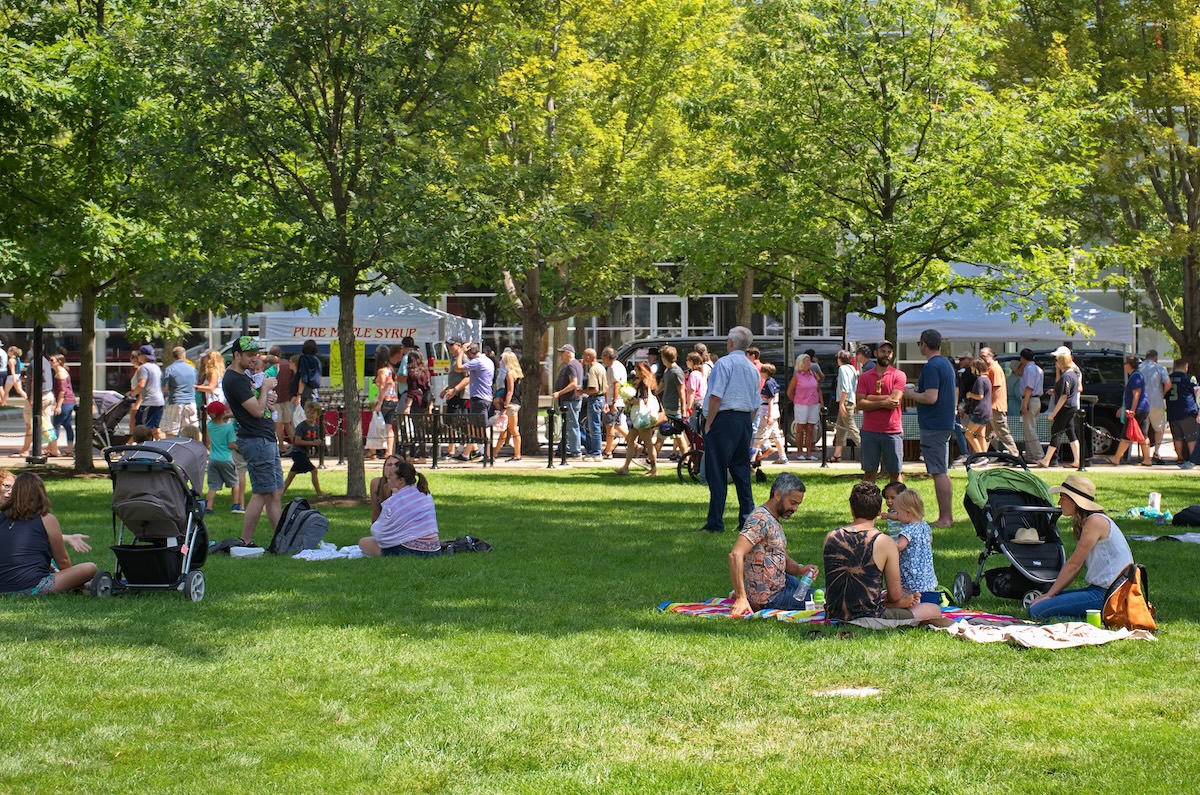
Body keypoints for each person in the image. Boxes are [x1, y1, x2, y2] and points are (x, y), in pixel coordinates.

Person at [822, 481, 947, 625]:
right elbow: (895, 596)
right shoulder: (884, 542)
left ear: (851, 509)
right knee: (933, 610)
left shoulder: (830, 536)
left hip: (834, 612)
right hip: (870, 615)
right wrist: (899, 602)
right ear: (879, 510)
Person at [1028, 475, 1134, 621]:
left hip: (1109, 594)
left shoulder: (1095, 521)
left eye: (1063, 497)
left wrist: (1050, 594)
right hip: (1101, 590)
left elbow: (1074, 564)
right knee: (1037, 605)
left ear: (1075, 501)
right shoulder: (1092, 520)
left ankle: (1098, 619)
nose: (1059, 502)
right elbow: (1076, 567)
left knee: (1037, 610)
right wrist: (1051, 595)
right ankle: (1096, 617)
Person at [728, 473, 819, 618]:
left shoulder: (772, 518)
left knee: (829, 593)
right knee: (829, 598)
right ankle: (744, 597)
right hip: (770, 598)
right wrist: (741, 598)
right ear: (777, 495)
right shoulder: (760, 519)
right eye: (793, 503)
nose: (795, 509)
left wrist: (800, 569)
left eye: (798, 504)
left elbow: (779, 554)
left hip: (783, 584)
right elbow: (735, 555)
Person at [222, 336, 283, 546]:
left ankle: (281, 539)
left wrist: (267, 398)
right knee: (263, 491)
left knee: (274, 491)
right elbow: (257, 411)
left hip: (265, 437)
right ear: (236, 355)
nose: (253, 359)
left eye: (255, 354)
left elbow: (260, 404)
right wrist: (265, 388)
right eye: (249, 355)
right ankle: (246, 540)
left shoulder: (245, 376)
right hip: (255, 440)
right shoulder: (234, 380)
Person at [700, 326, 760, 533]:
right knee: (742, 471)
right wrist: (748, 427)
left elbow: (716, 396)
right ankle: (747, 520)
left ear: (731, 343)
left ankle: (715, 521)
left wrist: (709, 423)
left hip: (724, 419)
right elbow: (755, 403)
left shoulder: (724, 363)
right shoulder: (752, 368)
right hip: (744, 420)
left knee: (716, 471)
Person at [0, 473, 98, 596]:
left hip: (2, 589)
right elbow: (63, 561)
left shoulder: (2, 518)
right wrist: (70, 578)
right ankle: (81, 586)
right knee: (90, 567)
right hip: (32, 588)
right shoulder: (46, 519)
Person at [903, 329, 956, 526]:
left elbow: (930, 397)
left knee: (938, 471)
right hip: (942, 423)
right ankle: (947, 516)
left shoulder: (932, 366)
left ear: (924, 344)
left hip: (934, 425)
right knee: (940, 470)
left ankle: (945, 518)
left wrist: (910, 393)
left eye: (919, 343)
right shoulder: (946, 364)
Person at [358, 459, 441, 557]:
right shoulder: (425, 494)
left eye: (391, 475)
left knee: (363, 542)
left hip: (410, 551)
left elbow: (379, 533)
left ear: (401, 480)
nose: (388, 478)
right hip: (435, 549)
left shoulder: (394, 502)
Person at [855, 340, 905, 484]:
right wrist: (884, 401)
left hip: (892, 432)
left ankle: (898, 506)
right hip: (869, 431)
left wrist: (870, 398)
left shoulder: (899, 375)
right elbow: (860, 404)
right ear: (876, 353)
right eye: (883, 351)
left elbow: (894, 401)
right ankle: (869, 506)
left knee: (895, 474)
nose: (886, 355)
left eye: (889, 352)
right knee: (869, 473)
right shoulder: (865, 377)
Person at [1036, 347, 1082, 469]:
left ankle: (1046, 459)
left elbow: (1064, 396)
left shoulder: (1066, 376)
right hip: (1072, 406)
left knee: (1056, 432)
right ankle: (1077, 460)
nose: (1056, 363)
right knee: (1071, 433)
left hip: (1065, 408)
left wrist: (1053, 413)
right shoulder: (1073, 374)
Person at [1103, 354, 1152, 466]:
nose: (1124, 366)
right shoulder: (1135, 376)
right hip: (1142, 409)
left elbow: (1136, 394)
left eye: (1125, 364)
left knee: (1126, 435)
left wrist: (1132, 411)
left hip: (1138, 410)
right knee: (1143, 435)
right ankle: (1147, 459)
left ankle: (1116, 458)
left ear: (1129, 365)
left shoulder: (1135, 377)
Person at [890, 488, 938, 597]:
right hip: (925, 571)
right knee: (925, 592)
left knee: (909, 594)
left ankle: (912, 603)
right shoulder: (924, 525)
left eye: (898, 513)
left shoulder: (907, 530)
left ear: (907, 513)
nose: (897, 516)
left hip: (911, 571)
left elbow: (900, 546)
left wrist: (888, 543)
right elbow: (930, 540)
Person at [614, 362, 659, 477]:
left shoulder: (644, 382)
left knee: (648, 443)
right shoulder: (647, 381)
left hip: (642, 417)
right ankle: (625, 467)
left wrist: (630, 401)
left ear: (641, 370)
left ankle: (654, 469)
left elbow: (644, 400)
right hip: (639, 417)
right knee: (630, 440)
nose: (635, 372)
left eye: (636, 370)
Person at [980, 347, 1020, 457]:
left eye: (984, 356)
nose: (981, 359)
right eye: (980, 356)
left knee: (1002, 432)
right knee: (986, 432)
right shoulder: (989, 368)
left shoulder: (994, 369)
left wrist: (990, 405)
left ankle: (1015, 456)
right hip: (991, 407)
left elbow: (996, 389)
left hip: (995, 407)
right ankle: (982, 456)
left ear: (991, 356)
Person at [203, 401, 241, 514]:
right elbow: (231, 445)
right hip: (226, 459)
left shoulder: (209, 425)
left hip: (213, 459)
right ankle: (235, 506)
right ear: (224, 412)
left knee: (213, 486)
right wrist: (240, 450)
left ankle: (208, 508)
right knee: (235, 483)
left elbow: (208, 444)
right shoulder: (229, 428)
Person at [284, 401, 325, 497]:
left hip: (304, 453)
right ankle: (319, 493)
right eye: (308, 412)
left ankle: (279, 493)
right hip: (298, 453)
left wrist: (318, 443)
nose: (309, 415)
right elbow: (297, 441)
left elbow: (315, 439)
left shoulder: (316, 427)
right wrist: (312, 443)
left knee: (291, 475)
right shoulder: (301, 426)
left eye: (312, 413)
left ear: (317, 415)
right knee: (314, 471)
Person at [1137, 350, 1171, 463]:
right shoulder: (1160, 368)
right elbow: (1168, 383)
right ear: (1156, 357)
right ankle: (1156, 452)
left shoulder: (1139, 368)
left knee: (1143, 431)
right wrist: (1162, 393)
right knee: (1159, 429)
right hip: (1156, 402)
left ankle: (1145, 455)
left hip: (1142, 403)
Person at [551, 344, 583, 461]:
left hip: (571, 400)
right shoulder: (577, 365)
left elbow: (574, 383)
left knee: (572, 426)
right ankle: (569, 449)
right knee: (571, 426)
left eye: (562, 352)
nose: (561, 355)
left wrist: (559, 393)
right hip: (573, 400)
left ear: (569, 353)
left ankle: (576, 452)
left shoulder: (571, 366)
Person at [787, 354, 822, 460]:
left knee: (811, 428)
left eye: (809, 361)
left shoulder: (813, 374)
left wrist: (821, 403)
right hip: (801, 404)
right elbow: (790, 391)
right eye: (807, 361)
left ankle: (809, 453)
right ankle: (799, 452)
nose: (809, 363)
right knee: (800, 428)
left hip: (813, 404)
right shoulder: (797, 376)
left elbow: (818, 389)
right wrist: (796, 401)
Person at [655, 346, 687, 460]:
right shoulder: (667, 371)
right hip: (667, 407)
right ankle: (687, 460)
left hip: (674, 408)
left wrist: (683, 410)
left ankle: (651, 459)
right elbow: (660, 387)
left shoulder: (676, 372)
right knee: (676, 436)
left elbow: (682, 391)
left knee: (667, 435)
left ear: (665, 358)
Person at [751, 363, 787, 465]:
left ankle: (751, 459)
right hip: (772, 412)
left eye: (762, 371)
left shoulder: (768, 384)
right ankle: (783, 457)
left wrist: (770, 415)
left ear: (766, 373)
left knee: (759, 436)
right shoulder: (773, 382)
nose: (760, 373)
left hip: (767, 412)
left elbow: (770, 400)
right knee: (776, 436)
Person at [161, 346, 199, 437]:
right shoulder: (192, 369)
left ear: (173, 356)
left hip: (175, 402)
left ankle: (172, 451)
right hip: (191, 402)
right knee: (193, 430)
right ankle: (197, 449)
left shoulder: (170, 369)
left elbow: (164, 388)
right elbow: (194, 384)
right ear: (184, 356)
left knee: (171, 430)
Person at [1166, 359, 1198, 465]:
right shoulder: (1190, 378)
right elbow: (1196, 393)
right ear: (1185, 367)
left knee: (1177, 437)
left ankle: (1180, 457)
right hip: (1187, 411)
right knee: (1191, 437)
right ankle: (1193, 458)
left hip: (1172, 411)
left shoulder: (1168, 378)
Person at [830, 350, 859, 463]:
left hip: (845, 401)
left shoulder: (842, 369)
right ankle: (837, 455)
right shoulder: (852, 368)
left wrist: (841, 403)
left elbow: (844, 387)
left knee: (851, 428)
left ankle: (866, 450)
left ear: (840, 359)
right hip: (851, 400)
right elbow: (854, 387)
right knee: (840, 428)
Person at [494, 350, 524, 461]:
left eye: (503, 359)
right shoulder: (516, 374)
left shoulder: (509, 374)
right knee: (505, 430)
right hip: (514, 403)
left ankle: (517, 455)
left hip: (511, 404)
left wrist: (505, 406)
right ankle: (494, 453)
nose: (501, 361)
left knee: (512, 430)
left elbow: (510, 391)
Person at [1017, 348, 1045, 463]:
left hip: (1030, 399)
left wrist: (1024, 404)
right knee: (1029, 429)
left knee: (1029, 429)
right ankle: (1030, 455)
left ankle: (1039, 455)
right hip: (1035, 400)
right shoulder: (1038, 369)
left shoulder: (1029, 369)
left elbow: (1029, 388)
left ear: (1022, 358)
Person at [128, 345, 165, 430]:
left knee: (141, 429)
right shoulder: (156, 367)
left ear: (143, 356)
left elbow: (141, 384)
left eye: (139, 354)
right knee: (155, 430)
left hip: (149, 402)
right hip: (159, 401)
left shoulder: (144, 367)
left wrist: (132, 394)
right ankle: (163, 443)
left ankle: (142, 443)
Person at [371, 345, 398, 460]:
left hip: (385, 400)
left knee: (377, 425)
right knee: (388, 427)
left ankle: (373, 451)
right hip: (393, 399)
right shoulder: (391, 370)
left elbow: (382, 388)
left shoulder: (381, 371)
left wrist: (379, 403)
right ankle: (389, 451)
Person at [581, 348, 608, 461]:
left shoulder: (593, 370)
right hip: (601, 399)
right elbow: (605, 387)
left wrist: (581, 391)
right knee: (591, 426)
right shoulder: (601, 367)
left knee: (594, 427)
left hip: (595, 400)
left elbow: (594, 389)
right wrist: (606, 402)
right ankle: (593, 451)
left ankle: (596, 453)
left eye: (584, 356)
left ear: (588, 357)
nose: (583, 358)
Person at [602, 346, 628, 460]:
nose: (602, 359)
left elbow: (616, 384)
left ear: (607, 356)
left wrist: (613, 402)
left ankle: (608, 451)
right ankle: (635, 444)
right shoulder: (619, 365)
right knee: (616, 425)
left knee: (609, 426)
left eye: (603, 357)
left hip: (615, 401)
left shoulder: (612, 367)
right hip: (620, 401)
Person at [50, 354, 77, 458]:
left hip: (65, 402)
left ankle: (54, 449)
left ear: (59, 362)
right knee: (67, 425)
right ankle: (69, 449)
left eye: (52, 360)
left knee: (55, 425)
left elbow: (62, 392)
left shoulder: (60, 374)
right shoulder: (61, 372)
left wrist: (58, 406)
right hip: (70, 401)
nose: (50, 362)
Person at [964, 359, 992, 454]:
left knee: (969, 434)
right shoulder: (987, 379)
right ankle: (984, 456)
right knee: (981, 435)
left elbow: (980, 396)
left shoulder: (980, 380)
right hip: (986, 411)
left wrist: (970, 395)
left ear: (976, 368)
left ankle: (980, 455)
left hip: (979, 411)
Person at [292, 339, 322, 408]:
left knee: (304, 416)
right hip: (314, 393)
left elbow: (303, 378)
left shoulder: (304, 360)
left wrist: (299, 395)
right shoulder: (317, 361)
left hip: (305, 394)